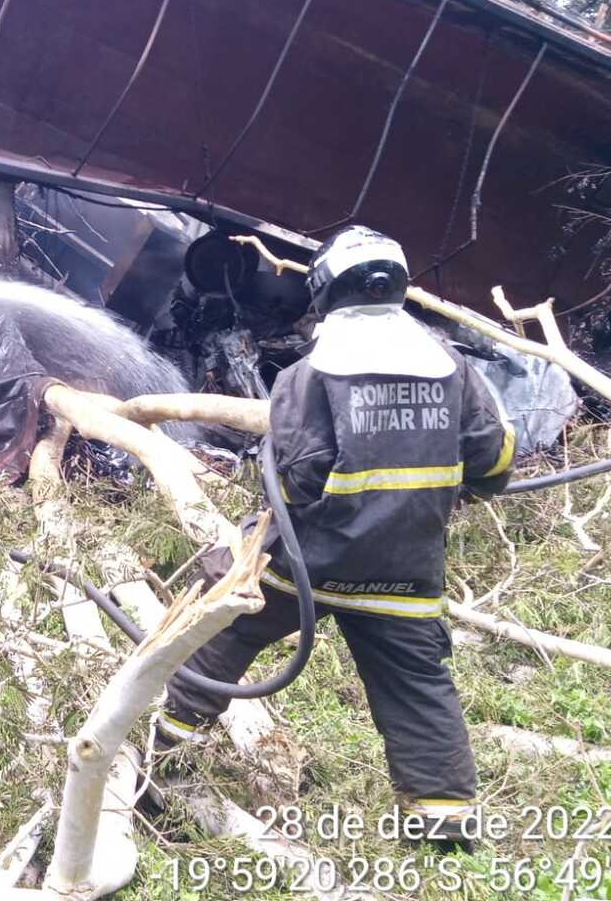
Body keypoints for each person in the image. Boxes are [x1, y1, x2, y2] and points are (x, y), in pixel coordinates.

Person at [158, 225, 515, 851]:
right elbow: (493, 463)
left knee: (221, 629)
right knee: (418, 687)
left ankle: (165, 762)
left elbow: (293, 478)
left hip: (307, 563)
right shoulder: (450, 367)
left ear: (323, 292)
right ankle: (444, 825)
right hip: (406, 572)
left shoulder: (311, 372)